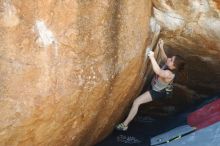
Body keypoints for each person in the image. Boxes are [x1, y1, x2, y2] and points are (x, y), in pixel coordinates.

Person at [116, 39, 186, 131]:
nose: (169, 59)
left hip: (156, 92)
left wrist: (152, 57)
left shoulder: (169, 74)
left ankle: (125, 125)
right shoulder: (169, 65)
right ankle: (168, 87)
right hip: (156, 85)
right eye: (171, 57)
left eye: (171, 60)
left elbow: (158, 71)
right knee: (163, 83)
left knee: (137, 102)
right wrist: (161, 47)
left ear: (174, 67)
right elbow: (164, 58)